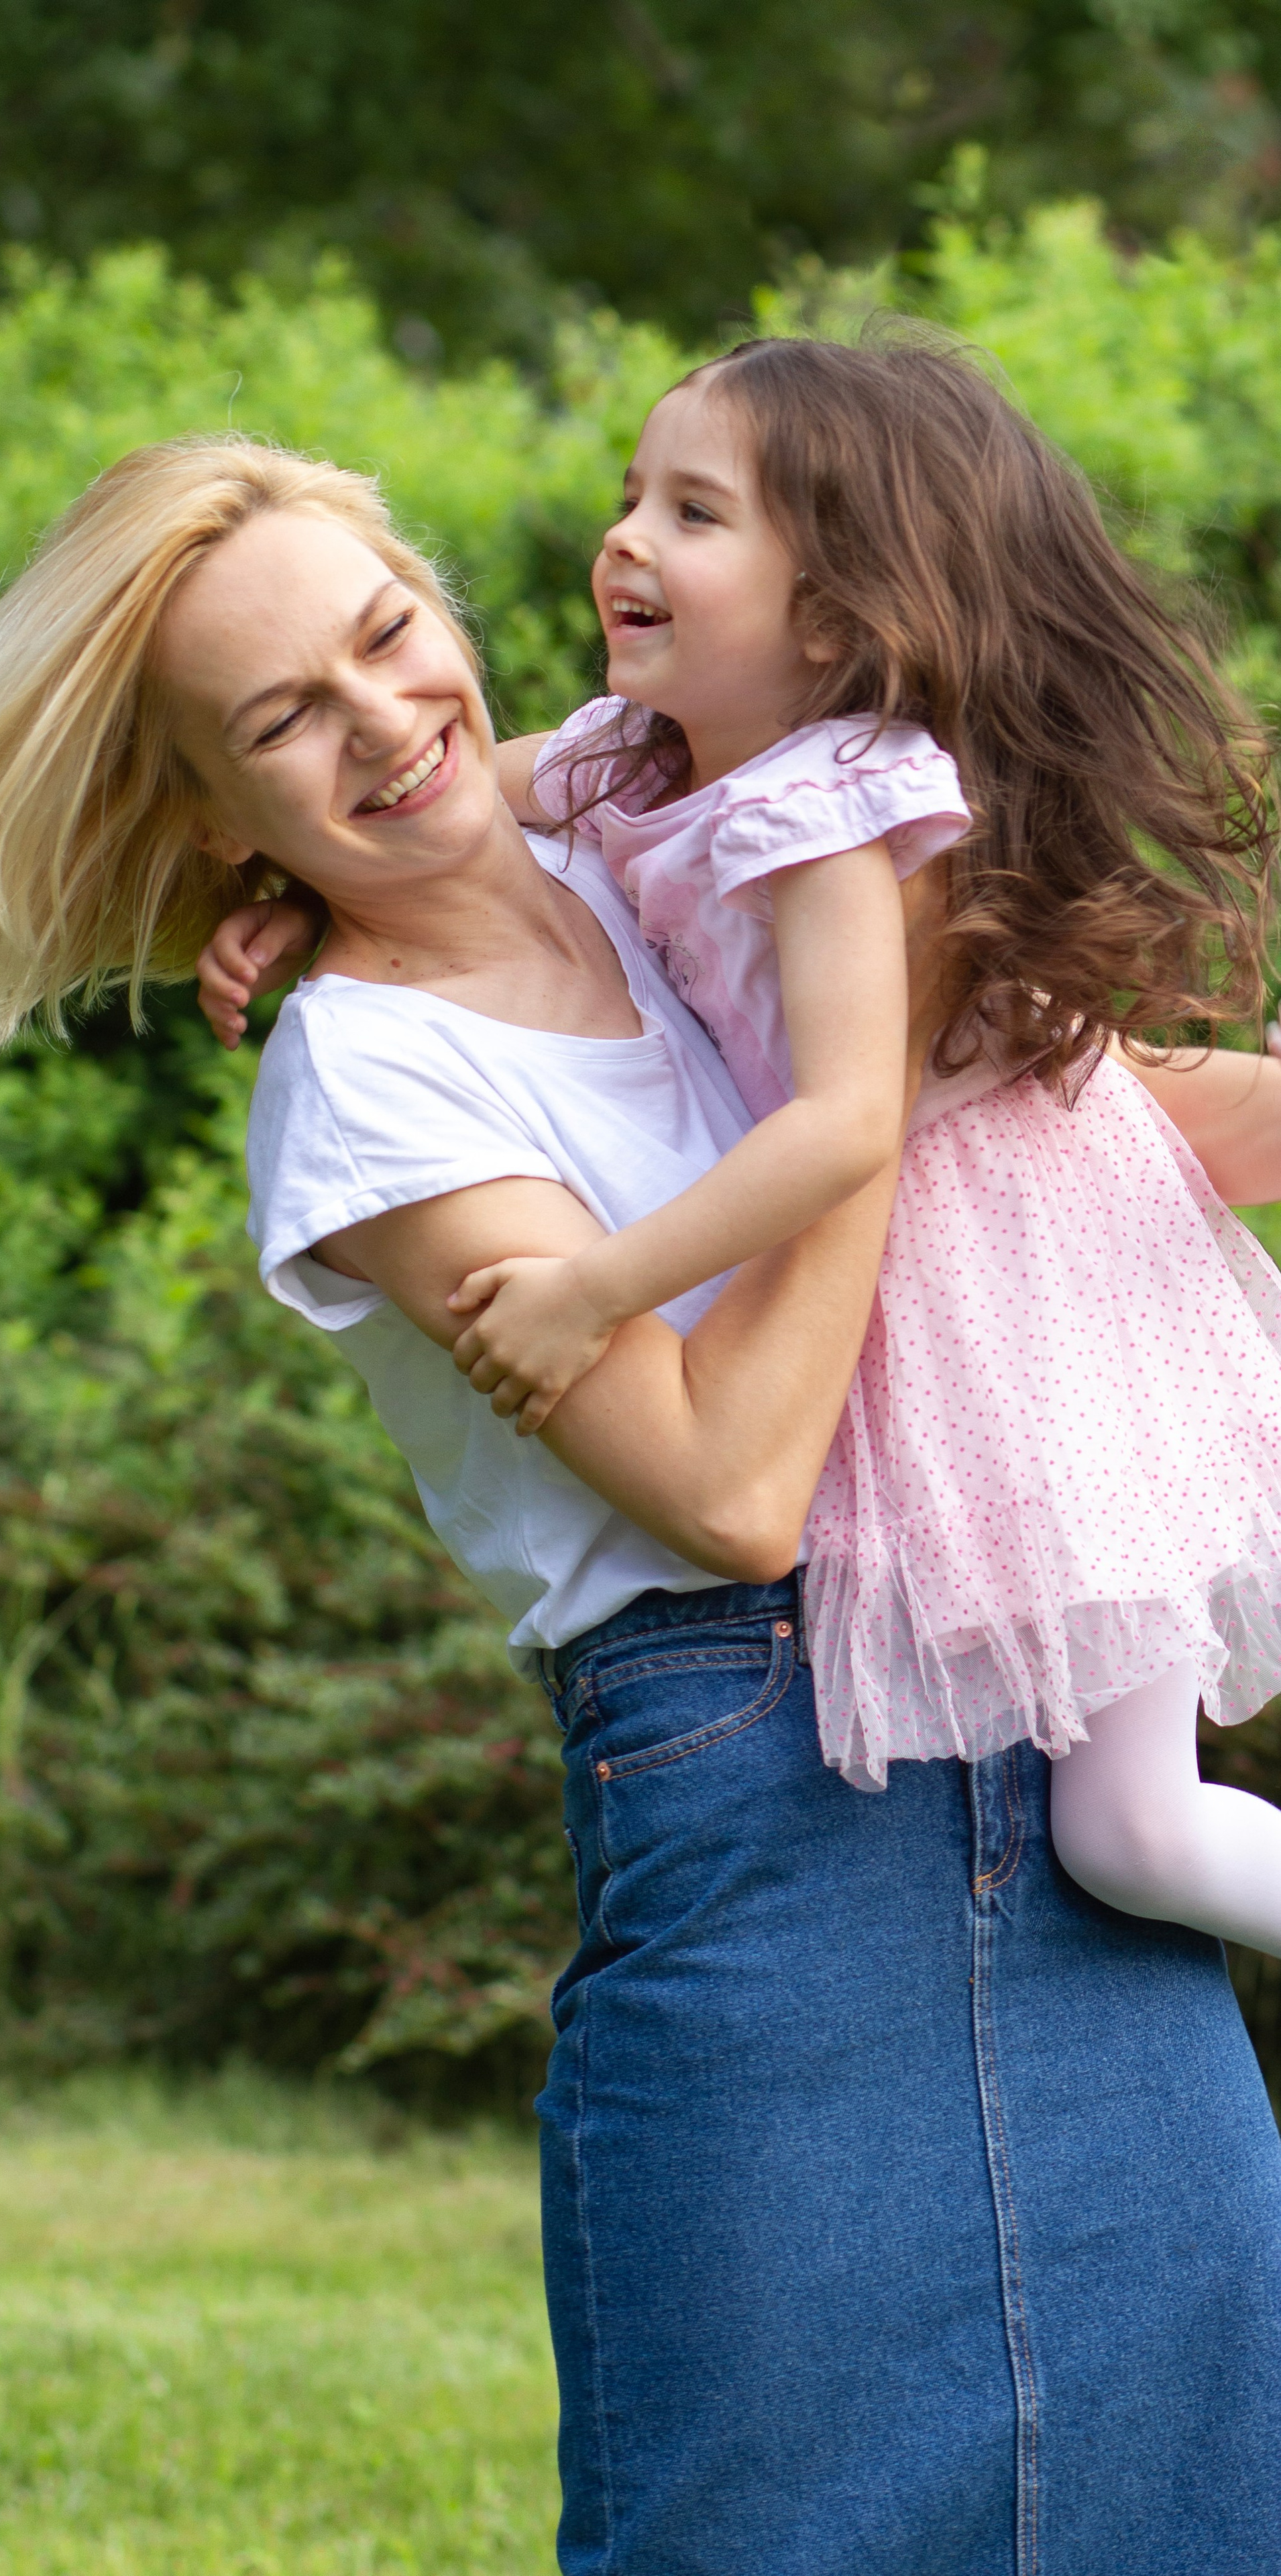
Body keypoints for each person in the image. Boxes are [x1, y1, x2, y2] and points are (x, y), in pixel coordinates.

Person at [0, 432, 1281, 2573]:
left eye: (389, 641)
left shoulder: (647, 843)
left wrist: (925, 1054)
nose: (386, 727)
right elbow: (740, 1486)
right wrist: (864, 1093)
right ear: (206, 812)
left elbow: (1048, 1118)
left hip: (1030, 1741)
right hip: (769, 1824)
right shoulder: (369, 1082)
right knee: (772, 2527)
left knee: (1188, 2498)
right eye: (281, 724)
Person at [203, 333, 1281, 1973]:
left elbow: (850, 1124)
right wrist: (287, 894)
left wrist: (588, 1295)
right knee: (1089, 1826)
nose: (627, 538)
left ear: (831, 618)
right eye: (631, 495)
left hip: (1037, 1319)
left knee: (1129, 1828)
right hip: (927, 1323)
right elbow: (443, 796)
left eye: (694, 515)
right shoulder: (631, 764)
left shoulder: (835, 816)